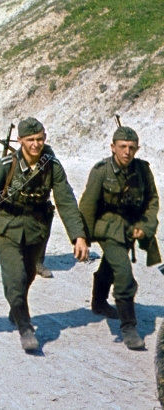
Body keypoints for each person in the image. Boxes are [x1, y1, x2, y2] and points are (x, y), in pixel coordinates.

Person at [0, 118, 89, 352]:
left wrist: (78, 236)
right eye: (30, 140)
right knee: (14, 278)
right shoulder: (7, 165)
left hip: (37, 228)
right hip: (8, 227)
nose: (36, 144)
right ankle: (25, 327)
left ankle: (16, 307)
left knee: (27, 275)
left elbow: (66, 199)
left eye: (40, 139)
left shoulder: (51, 165)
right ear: (20, 141)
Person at [79, 126, 159, 350]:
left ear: (137, 149)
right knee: (123, 273)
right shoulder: (101, 171)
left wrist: (145, 226)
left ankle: (98, 301)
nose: (127, 152)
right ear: (113, 147)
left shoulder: (142, 171)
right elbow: (87, 205)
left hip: (130, 226)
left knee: (112, 264)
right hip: (107, 227)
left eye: (132, 148)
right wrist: (82, 238)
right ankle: (129, 326)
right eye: (122, 147)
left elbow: (152, 200)